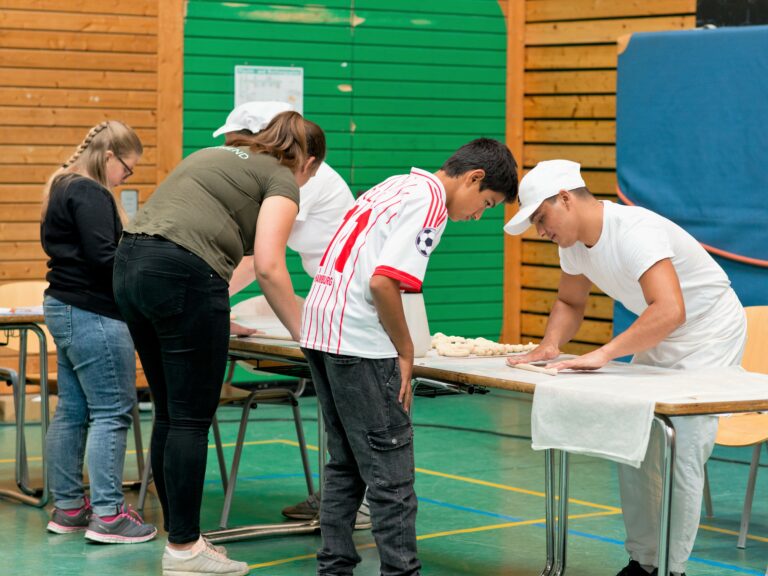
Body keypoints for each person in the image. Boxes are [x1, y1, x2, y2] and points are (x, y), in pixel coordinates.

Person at [504, 160, 747, 576]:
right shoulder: (572, 246)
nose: (541, 231)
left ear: (565, 198)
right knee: (634, 437)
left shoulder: (634, 230)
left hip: (710, 331)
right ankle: (643, 561)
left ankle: (672, 568)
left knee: (683, 447)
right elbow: (570, 302)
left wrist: (604, 354)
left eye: (542, 218)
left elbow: (670, 309)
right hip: (663, 331)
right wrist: (550, 344)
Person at [113, 111, 326, 576]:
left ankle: (181, 536)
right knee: (191, 418)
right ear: (307, 162)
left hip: (129, 265)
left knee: (169, 412)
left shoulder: (216, 155)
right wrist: (308, 336)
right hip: (182, 272)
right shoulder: (282, 179)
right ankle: (186, 550)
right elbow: (269, 265)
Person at [300, 138, 519, 576]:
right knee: (391, 472)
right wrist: (405, 349)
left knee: (345, 462)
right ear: (474, 178)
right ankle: (401, 571)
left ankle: (335, 566)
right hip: (359, 340)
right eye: (486, 203)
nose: (477, 216)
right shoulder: (432, 205)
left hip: (320, 330)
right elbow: (384, 283)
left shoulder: (396, 184)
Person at [213, 101, 367, 527]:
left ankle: (357, 498)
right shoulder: (277, 175)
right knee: (336, 401)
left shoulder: (302, 179)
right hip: (327, 290)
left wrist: (214, 299)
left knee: (349, 401)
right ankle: (342, 496)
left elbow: (259, 259)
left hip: (348, 296)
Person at [41, 120, 157, 543]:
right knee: (112, 411)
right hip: (93, 311)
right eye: (128, 168)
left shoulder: (62, 185)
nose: (128, 176)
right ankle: (109, 514)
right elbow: (104, 257)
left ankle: (69, 507)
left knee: (72, 410)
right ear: (110, 157)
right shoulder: (89, 191)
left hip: (65, 306)